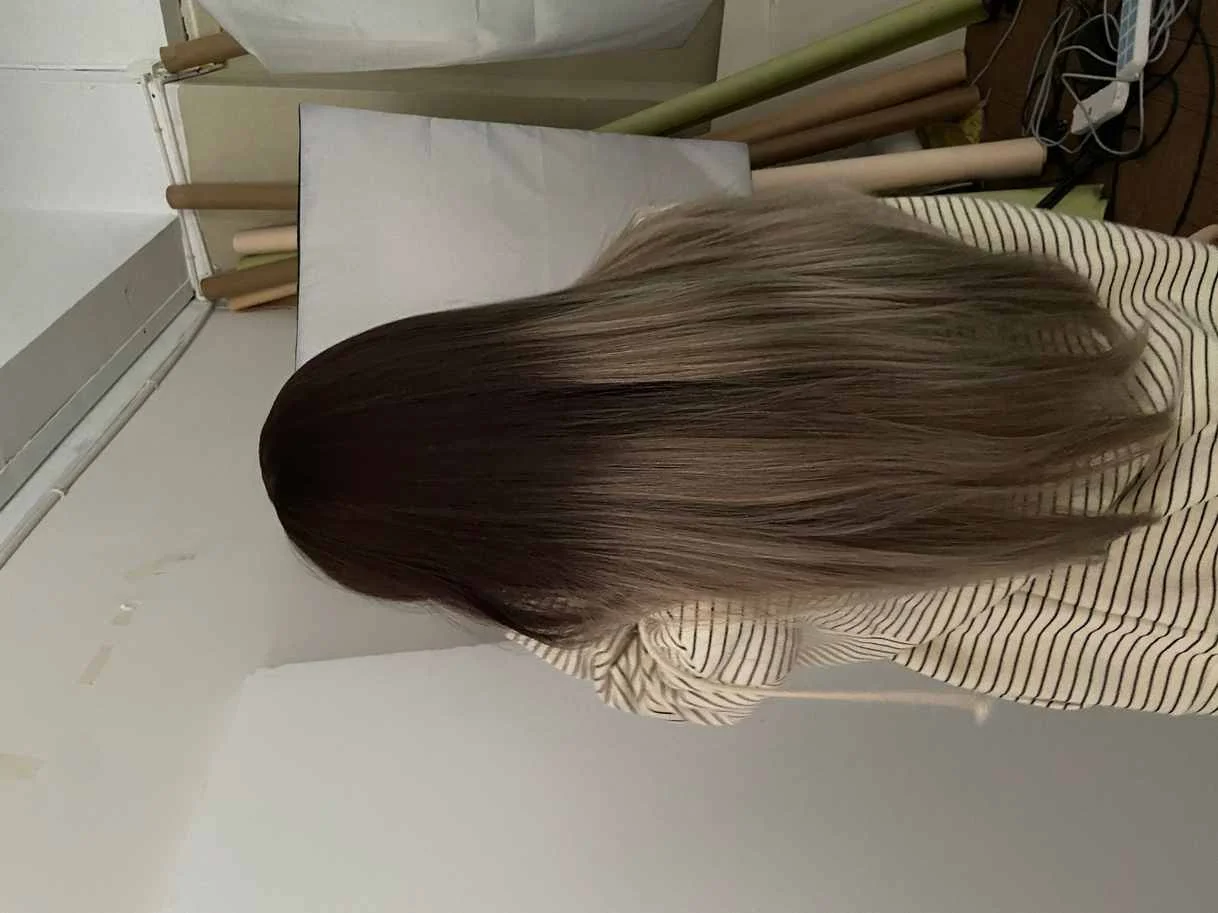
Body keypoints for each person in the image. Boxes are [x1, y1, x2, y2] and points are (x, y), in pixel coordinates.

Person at [259, 189, 1218, 725]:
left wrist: (519, 595)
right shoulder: (686, 241)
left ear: (457, 559)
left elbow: (662, 688)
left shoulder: (698, 597)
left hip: (1179, 592)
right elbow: (1026, 243)